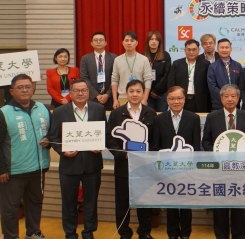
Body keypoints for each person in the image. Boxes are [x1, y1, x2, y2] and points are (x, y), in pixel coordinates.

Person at [0, 74, 51, 239]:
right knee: (10, 209)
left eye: (28, 87)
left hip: (38, 168)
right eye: (20, 87)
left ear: (33, 88)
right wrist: (0, 170)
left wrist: (49, 140)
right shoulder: (2, 114)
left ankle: (33, 233)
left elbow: (52, 133)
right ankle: (11, 236)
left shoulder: (43, 109)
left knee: (35, 204)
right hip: (13, 171)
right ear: (12, 91)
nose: (24, 90)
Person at [48, 79, 106, 239]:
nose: (80, 93)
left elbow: (105, 132)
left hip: (92, 164)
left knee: (91, 202)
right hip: (69, 165)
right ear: (70, 93)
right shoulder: (59, 112)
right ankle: (70, 233)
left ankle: (88, 232)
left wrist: (100, 145)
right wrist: (63, 151)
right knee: (68, 202)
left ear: (88, 92)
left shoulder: (98, 109)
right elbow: (53, 137)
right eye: (76, 90)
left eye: (84, 90)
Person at [202, 84, 245, 239]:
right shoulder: (212, 117)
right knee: (220, 207)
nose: (230, 99)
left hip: (240, 170)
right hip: (219, 170)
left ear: (238, 98)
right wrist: (218, 156)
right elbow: (206, 142)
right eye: (226, 96)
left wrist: (242, 157)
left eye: (233, 96)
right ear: (221, 98)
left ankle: (239, 235)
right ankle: (221, 236)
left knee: (238, 207)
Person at [107, 80, 156, 239]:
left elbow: (155, 140)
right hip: (123, 166)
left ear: (143, 93)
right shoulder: (116, 113)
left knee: (145, 201)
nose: (135, 94)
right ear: (126, 93)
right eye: (131, 91)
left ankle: (144, 232)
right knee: (122, 202)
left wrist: (147, 155)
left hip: (144, 166)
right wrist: (124, 154)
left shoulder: (150, 113)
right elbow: (110, 140)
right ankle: (124, 233)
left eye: (138, 91)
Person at [152, 86, 201, 239]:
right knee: (171, 204)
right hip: (167, 169)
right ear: (167, 100)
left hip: (187, 169)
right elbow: (156, 146)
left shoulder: (194, 118)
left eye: (179, 98)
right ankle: (172, 233)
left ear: (184, 100)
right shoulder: (159, 119)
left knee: (186, 204)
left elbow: (196, 146)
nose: (176, 101)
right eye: (172, 98)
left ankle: (186, 233)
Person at [111, 31, 153, 109]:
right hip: (122, 98)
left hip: (139, 97)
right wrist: (115, 99)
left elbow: (148, 80)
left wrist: (145, 98)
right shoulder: (117, 60)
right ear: (122, 43)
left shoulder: (144, 59)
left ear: (136, 43)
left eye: (132, 40)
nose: (129, 43)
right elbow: (114, 80)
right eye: (126, 40)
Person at [168, 39, 211, 112]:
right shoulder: (177, 64)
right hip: (180, 99)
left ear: (198, 50)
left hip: (199, 100)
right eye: (189, 50)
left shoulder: (205, 64)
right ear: (185, 50)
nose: (191, 52)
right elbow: (171, 82)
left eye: (194, 49)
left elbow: (208, 84)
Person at [80, 31, 117, 110]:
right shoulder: (85, 59)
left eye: (101, 40)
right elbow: (84, 78)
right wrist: (96, 95)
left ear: (105, 43)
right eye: (96, 40)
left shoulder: (114, 58)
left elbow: (116, 77)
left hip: (110, 98)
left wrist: (107, 94)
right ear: (91, 43)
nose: (98, 42)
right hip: (92, 97)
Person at [207, 38, 243, 111]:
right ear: (217, 49)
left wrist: (234, 98)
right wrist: (225, 97)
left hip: (235, 104)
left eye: (226, 47)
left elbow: (241, 84)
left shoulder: (238, 65)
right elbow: (212, 87)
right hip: (218, 105)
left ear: (231, 49)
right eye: (222, 47)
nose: (224, 50)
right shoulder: (212, 67)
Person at [144, 30, 172, 112]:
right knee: (148, 115)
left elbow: (167, 74)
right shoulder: (142, 56)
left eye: (156, 39)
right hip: (147, 93)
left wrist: (156, 90)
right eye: (151, 39)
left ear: (159, 42)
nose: (154, 41)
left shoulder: (165, 55)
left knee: (162, 116)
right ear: (148, 41)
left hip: (162, 93)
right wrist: (150, 91)